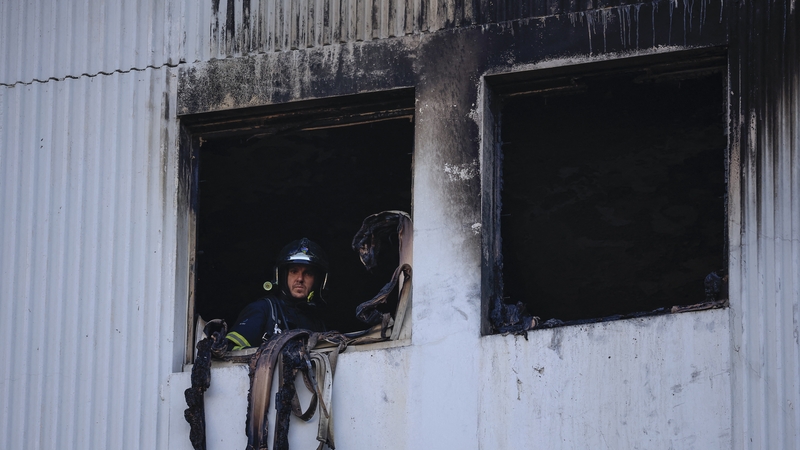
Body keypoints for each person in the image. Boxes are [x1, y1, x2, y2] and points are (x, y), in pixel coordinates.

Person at [224, 237, 329, 350]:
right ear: (282, 276)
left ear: (318, 281)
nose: (300, 278)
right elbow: (231, 359)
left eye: (308, 273)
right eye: (294, 271)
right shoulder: (263, 309)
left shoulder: (316, 321)